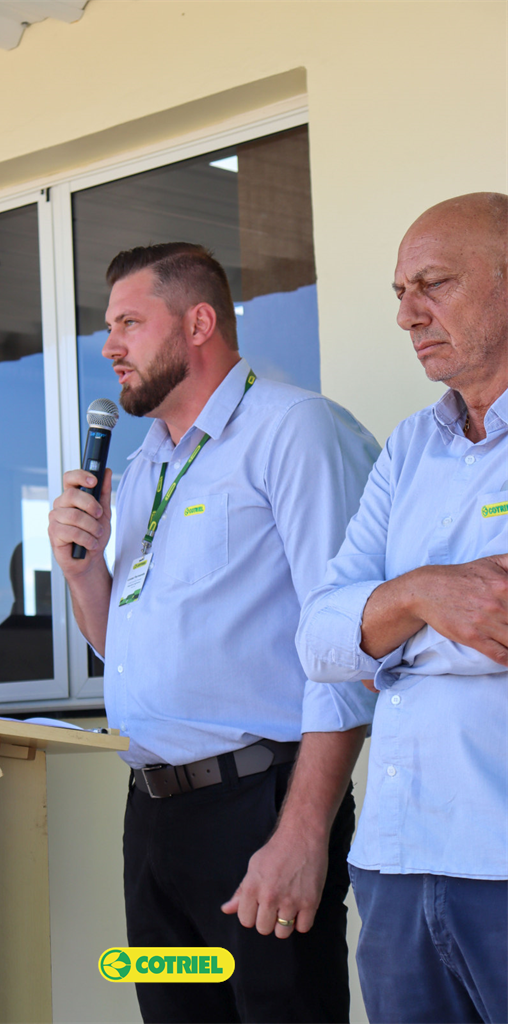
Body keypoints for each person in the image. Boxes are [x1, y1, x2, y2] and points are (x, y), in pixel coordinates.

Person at [49, 242, 380, 1023]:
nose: (109, 346)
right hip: (151, 818)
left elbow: (347, 647)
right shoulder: (144, 467)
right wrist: (83, 574)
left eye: (129, 323)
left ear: (198, 323)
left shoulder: (292, 430)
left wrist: (302, 833)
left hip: (258, 807)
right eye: (108, 327)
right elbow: (124, 652)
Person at [296, 193, 508, 1024]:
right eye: (398, 292)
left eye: (433, 283)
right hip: (394, 862)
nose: (406, 315)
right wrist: (424, 594)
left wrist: (382, 639)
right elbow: (318, 639)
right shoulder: (410, 446)